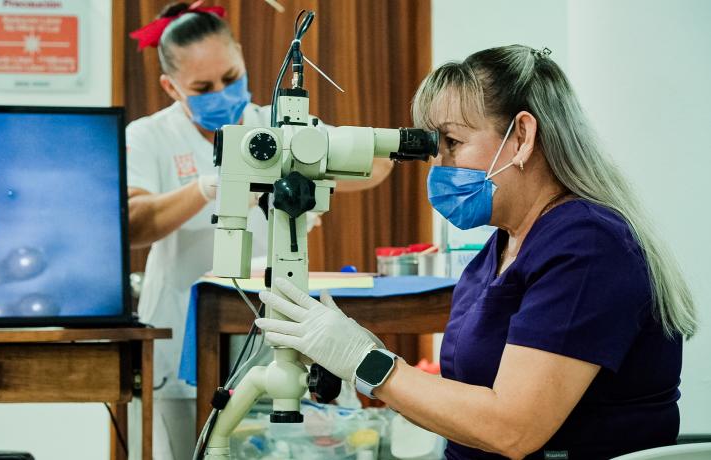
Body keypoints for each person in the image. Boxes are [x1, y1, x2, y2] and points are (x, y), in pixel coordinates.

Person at [256, 45, 697, 460]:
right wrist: (360, 357)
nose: (439, 166)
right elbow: (465, 406)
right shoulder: (504, 245)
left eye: (451, 142)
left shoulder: (586, 245)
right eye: (434, 148)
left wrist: (368, 364)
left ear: (522, 135)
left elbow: (513, 429)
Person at [125, 3, 392, 458]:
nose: (222, 93)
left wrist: (310, 159)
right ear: (171, 87)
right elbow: (133, 223)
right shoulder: (149, 137)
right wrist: (209, 188)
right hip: (185, 337)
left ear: (244, 59)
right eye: (202, 88)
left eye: (230, 78)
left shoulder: (279, 125)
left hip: (273, 329)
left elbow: (377, 164)